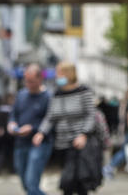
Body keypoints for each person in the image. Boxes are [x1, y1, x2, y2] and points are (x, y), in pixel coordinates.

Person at [34, 62, 98, 195]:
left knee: (75, 180)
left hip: (79, 143)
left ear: (68, 74)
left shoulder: (83, 91)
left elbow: (91, 115)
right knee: (68, 178)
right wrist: (41, 132)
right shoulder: (56, 94)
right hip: (62, 142)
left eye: (59, 73)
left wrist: (84, 134)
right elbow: (50, 116)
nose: (57, 76)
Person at [9, 64, 52, 195]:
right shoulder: (21, 95)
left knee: (31, 183)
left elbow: (50, 119)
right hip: (21, 143)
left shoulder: (48, 97)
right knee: (26, 184)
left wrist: (34, 129)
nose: (28, 84)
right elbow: (13, 114)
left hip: (39, 143)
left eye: (31, 81)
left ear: (40, 79)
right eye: (26, 80)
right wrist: (11, 124)